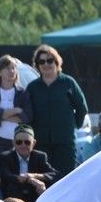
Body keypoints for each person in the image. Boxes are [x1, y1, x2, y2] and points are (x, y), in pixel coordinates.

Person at [26, 44, 88, 178]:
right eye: (41, 61)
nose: (46, 64)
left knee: (66, 179)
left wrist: (72, 126)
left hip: (65, 143)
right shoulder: (32, 87)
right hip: (40, 143)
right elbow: (27, 113)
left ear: (56, 61)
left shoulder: (68, 83)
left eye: (49, 60)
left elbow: (82, 108)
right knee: (43, 180)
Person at [0, 55, 32, 156]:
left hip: (19, 141)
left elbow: (26, 118)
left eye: (13, 68)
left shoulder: (22, 93)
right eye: (7, 68)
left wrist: (1, 113)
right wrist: (17, 110)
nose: (11, 71)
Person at [0, 124, 56, 202]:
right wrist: (29, 179)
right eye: (19, 142)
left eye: (27, 142)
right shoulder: (5, 157)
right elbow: (5, 175)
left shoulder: (40, 156)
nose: (23, 145)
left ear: (34, 143)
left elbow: (54, 175)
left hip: (33, 195)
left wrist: (35, 176)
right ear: (13, 143)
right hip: (12, 198)